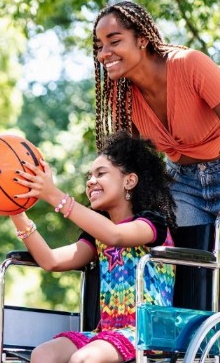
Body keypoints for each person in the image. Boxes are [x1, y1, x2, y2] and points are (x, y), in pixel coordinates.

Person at [92, 0, 220, 362]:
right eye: (99, 45)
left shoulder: (190, 65)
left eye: (114, 40)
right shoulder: (122, 93)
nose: (104, 52)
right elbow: (133, 164)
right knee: (186, 302)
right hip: (183, 184)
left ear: (142, 39)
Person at [9, 132, 177, 363]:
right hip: (106, 334)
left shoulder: (152, 224)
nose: (90, 181)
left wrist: (55, 196)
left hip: (148, 334)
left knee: (83, 358)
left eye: (101, 173)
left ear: (129, 181)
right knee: (43, 354)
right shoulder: (96, 236)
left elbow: (116, 235)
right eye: (89, 175)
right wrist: (15, 211)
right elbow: (51, 261)